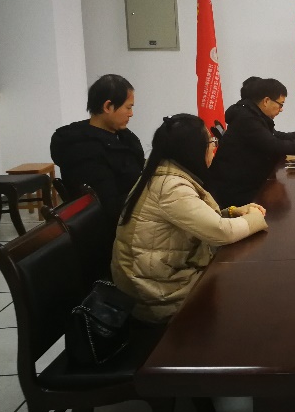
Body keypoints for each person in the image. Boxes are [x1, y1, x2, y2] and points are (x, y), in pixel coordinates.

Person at [111, 114, 267, 323]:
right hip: (158, 294)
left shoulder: (163, 172)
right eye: (210, 142)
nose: (214, 147)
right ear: (193, 149)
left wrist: (231, 212)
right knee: (249, 293)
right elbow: (222, 232)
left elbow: (193, 220)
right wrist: (256, 217)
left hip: (160, 278)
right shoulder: (171, 187)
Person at [205, 77, 295, 207]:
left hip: (246, 183)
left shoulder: (253, 114)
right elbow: (275, 146)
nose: (281, 109)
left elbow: (276, 136)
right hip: (235, 192)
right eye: (280, 104)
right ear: (266, 101)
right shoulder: (247, 119)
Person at [51, 74, 145, 227]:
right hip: (114, 227)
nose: (131, 113)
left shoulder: (124, 136)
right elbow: (108, 207)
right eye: (128, 107)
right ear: (107, 107)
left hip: (135, 212)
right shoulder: (83, 150)